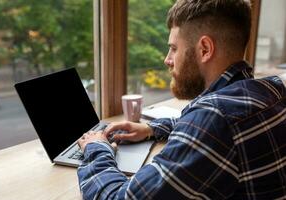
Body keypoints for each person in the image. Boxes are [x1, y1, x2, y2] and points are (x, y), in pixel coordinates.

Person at [77, 0, 286, 199]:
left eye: (174, 48)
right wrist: (151, 129)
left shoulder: (215, 118)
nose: (167, 59)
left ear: (205, 49)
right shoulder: (272, 90)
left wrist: (97, 148)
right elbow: (218, 127)